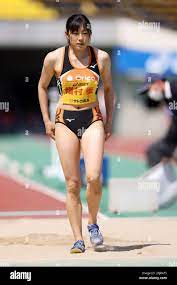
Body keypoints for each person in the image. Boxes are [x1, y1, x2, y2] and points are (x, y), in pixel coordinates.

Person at [38, 14, 115, 253]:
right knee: (72, 183)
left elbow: (110, 89)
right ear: (67, 34)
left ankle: (92, 223)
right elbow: (41, 86)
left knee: (93, 177)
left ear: (90, 34)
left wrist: (109, 121)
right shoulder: (54, 58)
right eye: (76, 33)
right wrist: (47, 120)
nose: (81, 38)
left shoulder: (101, 58)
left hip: (92, 119)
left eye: (85, 33)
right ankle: (78, 238)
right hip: (65, 121)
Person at [137, 73, 177, 167]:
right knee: (154, 151)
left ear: (159, 83)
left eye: (149, 89)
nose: (149, 94)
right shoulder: (167, 98)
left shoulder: (175, 88)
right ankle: (160, 180)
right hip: (173, 138)